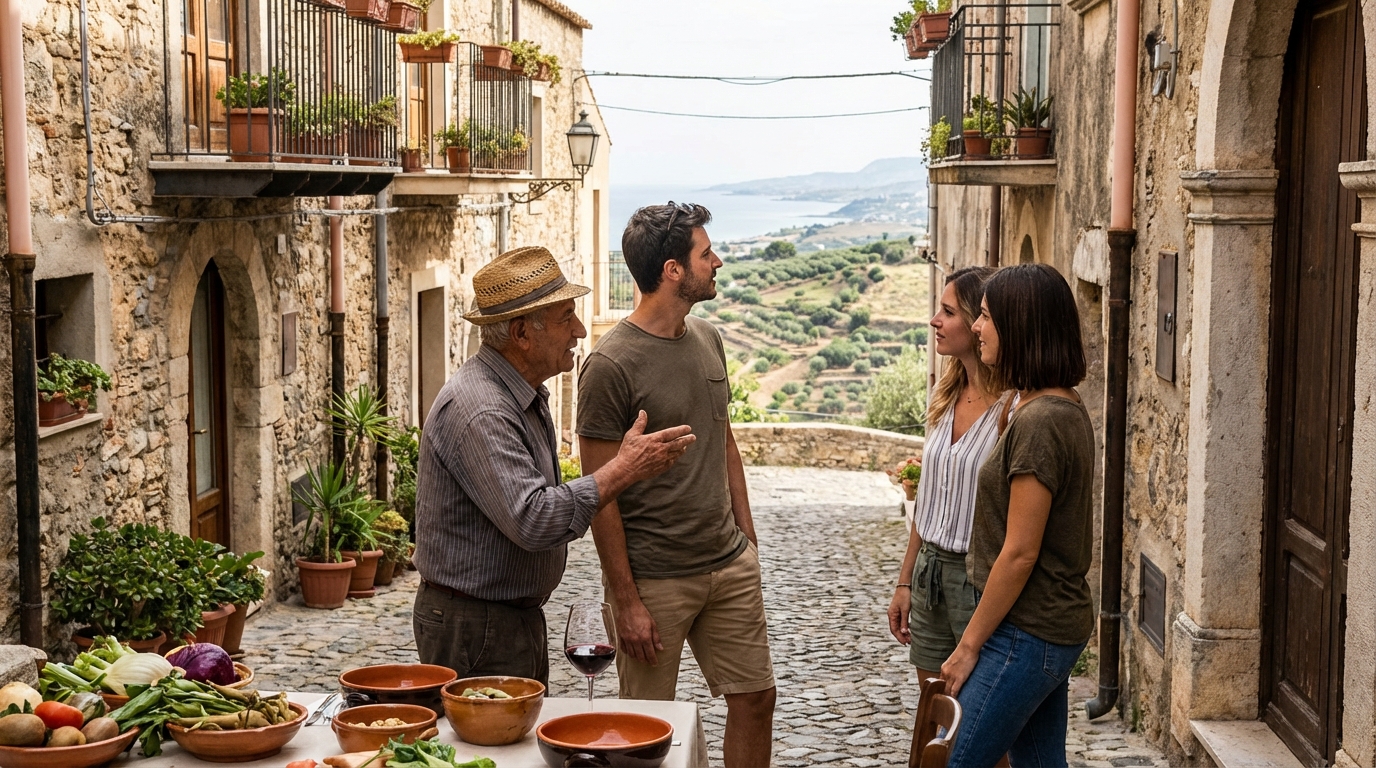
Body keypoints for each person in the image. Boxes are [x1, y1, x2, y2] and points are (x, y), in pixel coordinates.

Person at [411, 245, 696, 687]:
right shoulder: (482, 410)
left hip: (502, 618)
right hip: (476, 625)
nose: (580, 331)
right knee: (486, 752)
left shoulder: (519, 393)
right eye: (567, 318)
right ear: (523, 333)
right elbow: (534, 519)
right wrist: (624, 468)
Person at [576, 203, 776, 768]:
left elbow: (725, 442)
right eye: (705, 253)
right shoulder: (610, 364)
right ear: (672, 270)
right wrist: (626, 599)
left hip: (728, 565)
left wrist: (748, 542)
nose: (717, 262)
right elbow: (599, 494)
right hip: (655, 579)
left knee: (757, 699)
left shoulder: (708, 338)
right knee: (643, 728)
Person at [940, 263, 1096, 767]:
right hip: (1041, 628)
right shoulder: (1047, 405)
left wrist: (967, 647)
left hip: (1026, 632)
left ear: (1021, 328)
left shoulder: (1044, 421)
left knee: (954, 761)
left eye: (985, 317)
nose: (977, 327)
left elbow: (1020, 551)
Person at [886, 266, 1002, 684]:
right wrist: (905, 581)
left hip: (979, 580)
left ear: (977, 324)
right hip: (929, 571)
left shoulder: (1012, 408)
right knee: (933, 709)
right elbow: (930, 499)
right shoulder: (944, 396)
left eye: (948, 311)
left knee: (978, 722)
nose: (935, 320)